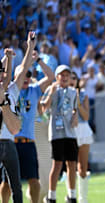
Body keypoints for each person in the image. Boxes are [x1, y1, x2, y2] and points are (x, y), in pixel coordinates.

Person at [0, 50, 55, 203]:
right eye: (25, 74)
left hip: (28, 142)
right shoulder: (9, 90)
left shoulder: (34, 90)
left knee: (34, 180)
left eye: (29, 75)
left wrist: (38, 60)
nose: (27, 78)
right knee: (6, 182)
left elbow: (51, 78)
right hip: (11, 141)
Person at [0, 32, 36, 203]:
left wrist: (30, 47)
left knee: (16, 185)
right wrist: (7, 60)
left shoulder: (13, 90)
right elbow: (6, 77)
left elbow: (21, 71)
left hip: (9, 141)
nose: (2, 76)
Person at [41, 65, 79, 203]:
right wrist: (51, 92)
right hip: (56, 133)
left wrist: (75, 115)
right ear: (57, 77)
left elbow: (74, 109)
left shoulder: (73, 92)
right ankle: (51, 196)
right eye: (62, 75)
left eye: (67, 75)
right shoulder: (51, 90)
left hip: (70, 133)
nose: (64, 78)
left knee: (72, 164)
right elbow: (44, 108)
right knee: (57, 164)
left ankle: (72, 195)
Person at [69, 71, 94, 203]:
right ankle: (71, 196)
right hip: (69, 131)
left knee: (82, 167)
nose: (72, 80)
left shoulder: (83, 95)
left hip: (83, 131)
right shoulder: (62, 94)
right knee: (70, 167)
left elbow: (86, 117)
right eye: (69, 78)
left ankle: (83, 199)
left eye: (74, 78)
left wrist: (77, 102)